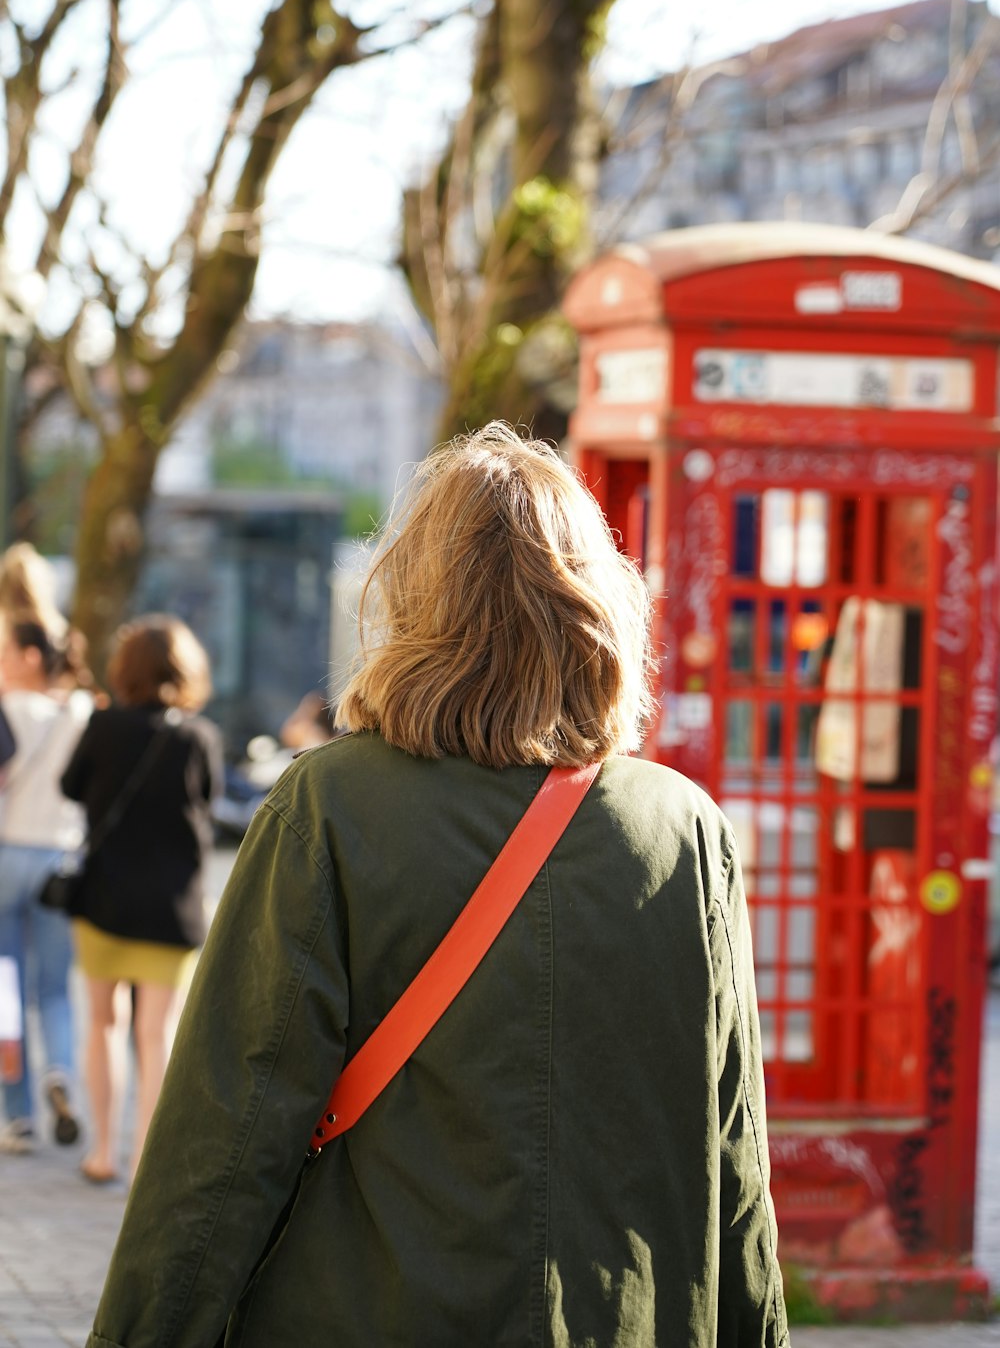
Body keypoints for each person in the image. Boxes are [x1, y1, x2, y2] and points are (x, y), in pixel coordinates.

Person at [86, 425, 789, 1347]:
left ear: (414, 604)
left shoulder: (329, 806)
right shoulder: (686, 830)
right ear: (601, 606)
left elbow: (224, 1141)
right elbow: (735, 1159)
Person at [61, 615, 224, 1185]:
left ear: (125, 669)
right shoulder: (198, 737)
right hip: (173, 909)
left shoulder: (103, 726)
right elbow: (210, 801)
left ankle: (103, 1149)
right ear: (186, 670)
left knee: (102, 1023)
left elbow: (69, 787)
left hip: (103, 901)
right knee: (157, 1036)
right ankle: (145, 1162)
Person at [0, 615, 91, 1154]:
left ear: (32, 657)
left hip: (8, 853)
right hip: (63, 859)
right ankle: (60, 1073)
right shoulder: (82, 711)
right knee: (56, 987)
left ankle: (17, 1113)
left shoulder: (8, 707)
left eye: (9, 652)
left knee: (5, 989)